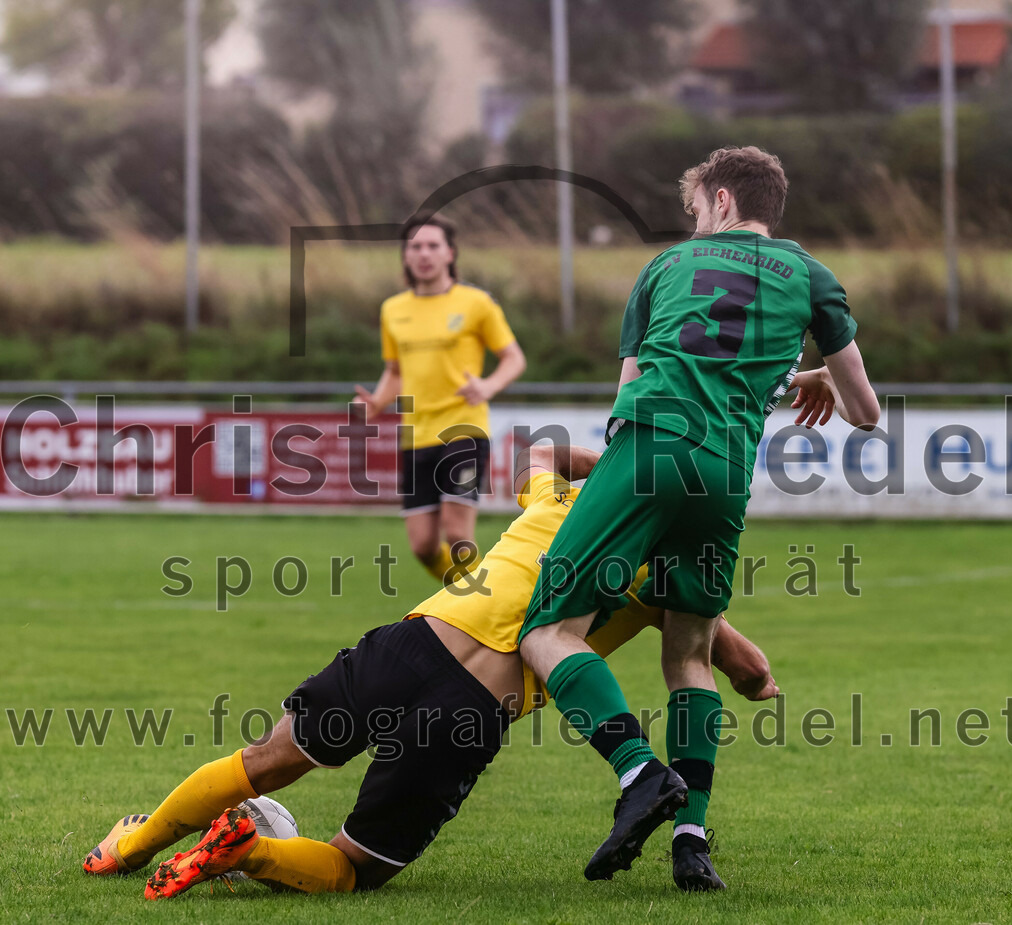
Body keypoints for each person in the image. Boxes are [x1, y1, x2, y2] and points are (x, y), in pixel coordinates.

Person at [82, 441, 776, 900]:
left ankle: (130, 846)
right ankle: (248, 853)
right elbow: (743, 666)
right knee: (356, 865)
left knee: (265, 758)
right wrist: (756, 679)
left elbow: (534, 451)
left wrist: (614, 465)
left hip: (409, 645)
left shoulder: (556, 501)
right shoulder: (659, 576)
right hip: (472, 710)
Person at [516, 145, 881, 888]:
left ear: (718, 200)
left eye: (694, 211)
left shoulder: (660, 270)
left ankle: (639, 772)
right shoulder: (810, 273)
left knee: (547, 631)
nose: (693, 226)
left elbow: (632, 390)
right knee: (690, 652)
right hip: (723, 475)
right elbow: (866, 413)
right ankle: (691, 839)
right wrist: (795, 374)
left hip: (649, 452)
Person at [354, 214, 526, 584]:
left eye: (433, 245)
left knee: (457, 534)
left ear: (450, 253)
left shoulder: (475, 302)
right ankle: (472, 599)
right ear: (405, 256)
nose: (424, 254)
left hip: (464, 427)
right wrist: (376, 404)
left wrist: (487, 386)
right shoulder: (393, 309)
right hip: (416, 434)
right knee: (422, 546)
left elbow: (514, 358)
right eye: (415, 246)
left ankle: (483, 615)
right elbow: (395, 372)